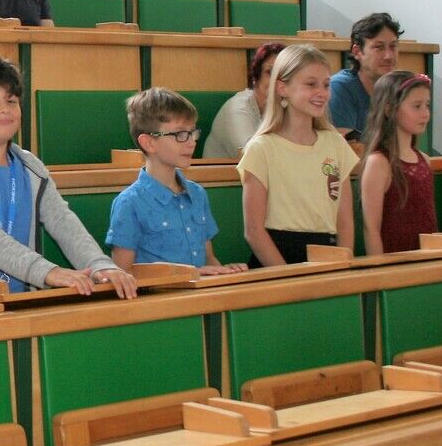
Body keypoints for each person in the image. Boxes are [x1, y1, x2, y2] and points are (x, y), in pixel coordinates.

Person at [0, 57, 137, 302]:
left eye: (11, 101)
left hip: (22, 301)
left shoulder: (31, 167)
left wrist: (100, 265)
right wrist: (48, 272)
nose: (4, 109)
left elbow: (63, 222)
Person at [237, 43, 360, 266]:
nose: (321, 93)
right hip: (277, 260)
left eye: (326, 85)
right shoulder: (261, 148)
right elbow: (254, 231)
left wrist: (342, 264)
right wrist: (287, 276)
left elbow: (344, 222)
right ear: (282, 88)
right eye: (311, 84)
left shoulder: (335, 144)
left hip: (327, 257)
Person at [108, 87, 247, 275]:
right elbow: (123, 274)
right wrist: (190, 274)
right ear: (149, 143)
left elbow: (209, 259)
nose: (191, 142)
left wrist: (224, 271)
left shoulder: (197, 194)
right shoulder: (129, 202)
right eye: (180, 134)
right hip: (157, 294)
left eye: (192, 132)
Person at [359, 71, 436, 255]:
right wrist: (380, 269)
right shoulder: (378, 163)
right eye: (416, 106)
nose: (425, 113)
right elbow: (371, 229)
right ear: (389, 109)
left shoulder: (424, 160)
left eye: (427, 105)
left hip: (427, 260)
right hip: (395, 262)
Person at [203, 41, 285, 159]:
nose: (277, 80)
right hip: (228, 171)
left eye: (284, 74)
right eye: (270, 72)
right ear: (255, 78)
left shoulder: (286, 106)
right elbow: (252, 156)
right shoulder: (237, 108)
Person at [329, 12, 403, 140]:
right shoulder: (339, 87)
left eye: (393, 46)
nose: (388, 56)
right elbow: (348, 148)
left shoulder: (398, 89)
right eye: (378, 47)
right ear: (357, 52)